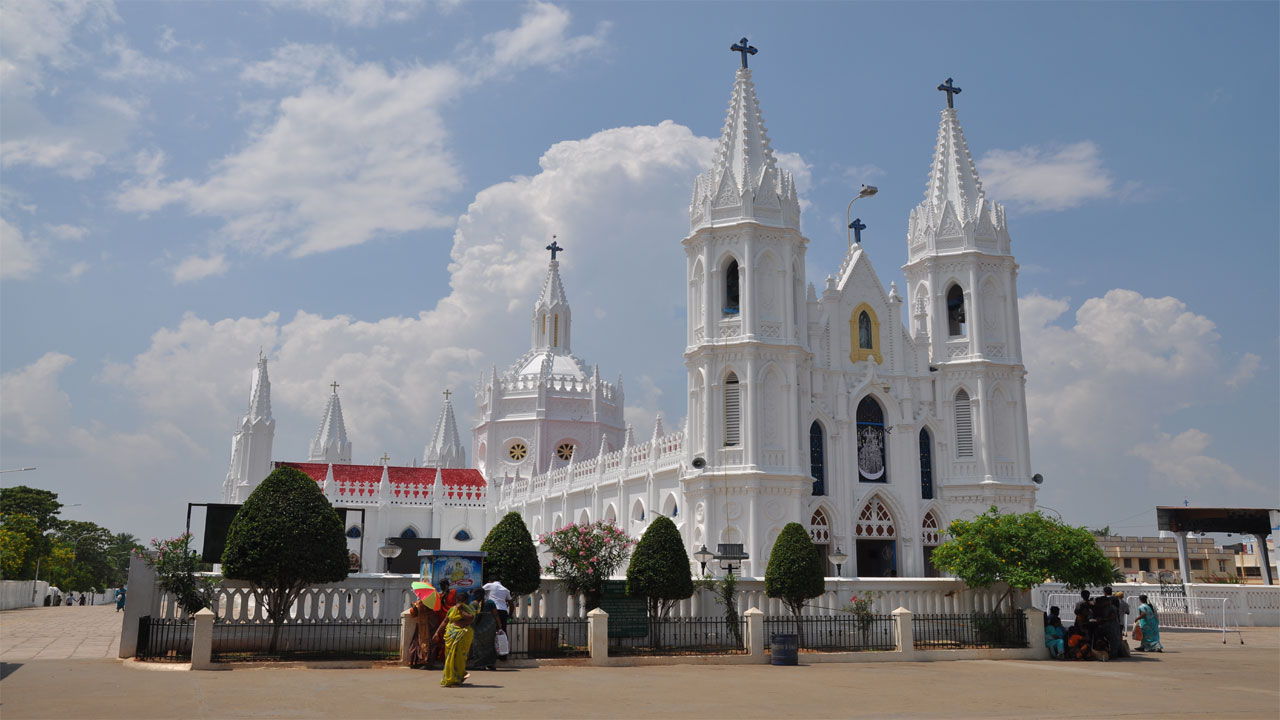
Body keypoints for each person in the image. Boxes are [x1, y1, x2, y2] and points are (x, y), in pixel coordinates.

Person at [434, 590, 475, 687]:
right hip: (451, 635)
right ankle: (452, 679)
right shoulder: (452, 609)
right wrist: (437, 632)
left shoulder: (467, 609)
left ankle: (457, 679)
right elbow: (445, 621)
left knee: (458, 658)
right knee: (450, 658)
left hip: (460, 636)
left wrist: (461, 610)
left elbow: (470, 618)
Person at [466, 588, 500, 671]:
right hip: (489, 628)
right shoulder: (490, 602)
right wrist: (500, 625)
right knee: (489, 646)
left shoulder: (472, 604)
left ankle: (480, 664)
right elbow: (495, 615)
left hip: (477, 629)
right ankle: (491, 664)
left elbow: (470, 617)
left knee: (478, 647)